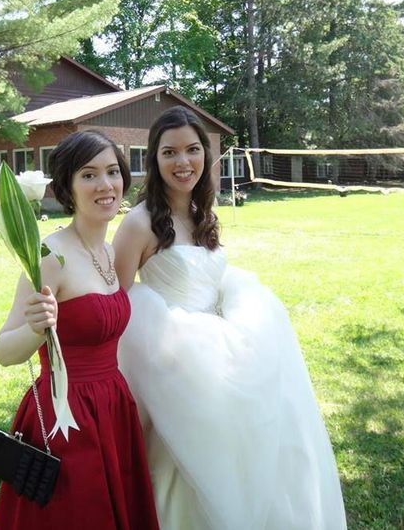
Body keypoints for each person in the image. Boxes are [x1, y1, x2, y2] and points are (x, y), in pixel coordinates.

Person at [113, 106, 347, 530]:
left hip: (223, 345)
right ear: (154, 158)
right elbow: (117, 302)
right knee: (191, 458)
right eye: (169, 152)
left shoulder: (203, 212)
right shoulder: (139, 223)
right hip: (173, 360)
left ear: (205, 153)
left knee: (257, 435)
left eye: (191, 150)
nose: (182, 162)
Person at [0, 130, 159, 530]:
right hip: (65, 414)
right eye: (88, 175)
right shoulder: (49, 256)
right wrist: (36, 329)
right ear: (67, 186)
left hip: (113, 407)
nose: (105, 185)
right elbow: (4, 351)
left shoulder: (109, 252)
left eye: (112, 172)